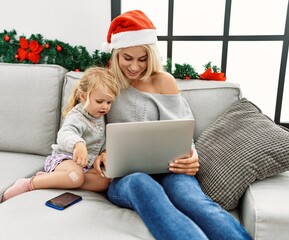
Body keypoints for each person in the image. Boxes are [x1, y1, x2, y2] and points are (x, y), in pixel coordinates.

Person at [93, 10, 251, 240]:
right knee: (142, 184)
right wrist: (101, 154)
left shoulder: (163, 81)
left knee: (190, 199)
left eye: (142, 58)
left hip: (170, 169)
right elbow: (87, 126)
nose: (135, 67)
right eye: (127, 58)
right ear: (116, 53)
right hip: (126, 179)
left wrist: (192, 155)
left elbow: (182, 133)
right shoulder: (104, 84)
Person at [2, 67, 119, 202]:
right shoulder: (77, 116)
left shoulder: (99, 116)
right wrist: (78, 144)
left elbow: (102, 140)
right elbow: (65, 134)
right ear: (83, 96)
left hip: (84, 167)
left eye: (109, 102)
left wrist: (104, 152)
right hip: (64, 160)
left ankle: (59, 180)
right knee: (76, 174)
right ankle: (31, 183)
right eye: (99, 101)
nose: (105, 107)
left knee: (103, 182)